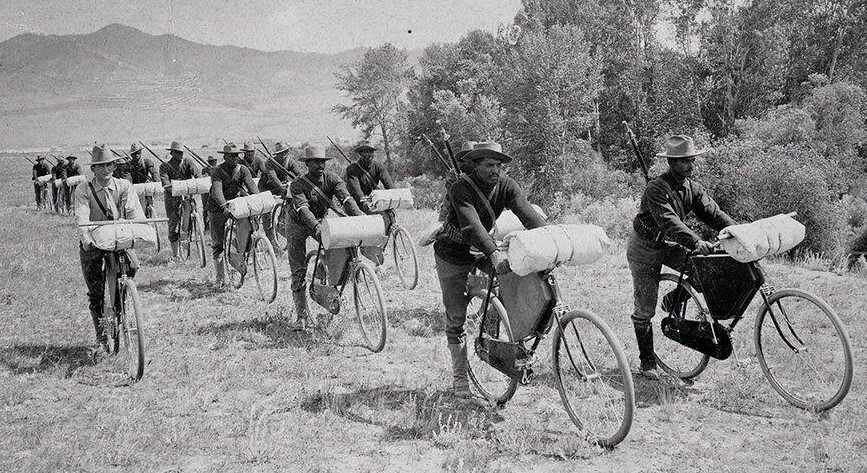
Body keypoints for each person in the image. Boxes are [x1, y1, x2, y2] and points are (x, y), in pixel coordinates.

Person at [434, 141, 546, 399]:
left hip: (483, 248)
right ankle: (460, 377)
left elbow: (528, 214)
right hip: (453, 252)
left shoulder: (507, 186)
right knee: (456, 315)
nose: (496, 170)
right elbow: (472, 226)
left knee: (517, 278)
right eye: (489, 165)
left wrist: (550, 239)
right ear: (475, 165)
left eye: (499, 165)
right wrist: (494, 254)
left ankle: (496, 326)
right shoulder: (461, 188)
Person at [627, 135, 737, 379]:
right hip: (644, 249)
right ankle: (647, 362)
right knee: (645, 308)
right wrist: (696, 242)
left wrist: (739, 232)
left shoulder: (692, 188)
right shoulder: (656, 189)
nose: (690, 165)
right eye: (684, 161)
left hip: (669, 245)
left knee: (705, 270)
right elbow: (669, 222)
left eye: (692, 160)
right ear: (671, 163)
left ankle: (674, 299)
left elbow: (714, 214)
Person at [74, 145, 144, 353]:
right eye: (101, 166)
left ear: (114, 166)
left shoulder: (124, 186)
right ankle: (101, 336)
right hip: (94, 240)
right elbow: (82, 217)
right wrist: (86, 238)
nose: (106, 169)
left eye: (109, 164)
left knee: (132, 267)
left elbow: (134, 213)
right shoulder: (84, 189)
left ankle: (121, 303)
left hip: (118, 238)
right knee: (95, 290)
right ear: (93, 169)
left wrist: (135, 226)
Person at [286, 145, 363, 328]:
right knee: (298, 270)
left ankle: (325, 276)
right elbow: (303, 209)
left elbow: (346, 199)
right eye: (315, 162)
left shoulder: (332, 179)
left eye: (322, 162)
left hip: (320, 219)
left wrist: (359, 217)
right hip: (298, 224)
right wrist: (317, 227)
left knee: (337, 245)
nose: (320, 165)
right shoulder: (298, 184)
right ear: (307, 164)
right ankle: (301, 316)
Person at [207, 144, 259, 288]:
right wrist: (224, 206)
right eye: (231, 156)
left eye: (236, 155)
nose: (234, 158)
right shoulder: (217, 171)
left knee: (246, 229)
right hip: (217, 207)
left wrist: (258, 200)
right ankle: (220, 278)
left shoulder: (243, 169)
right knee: (218, 243)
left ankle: (238, 256)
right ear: (224, 157)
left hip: (236, 205)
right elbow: (217, 191)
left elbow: (252, 187)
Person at [159, 141, 202, 260]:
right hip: (172, 196)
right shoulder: (165, 166)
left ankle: (193, 232)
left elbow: (198, 174)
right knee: (173, 222)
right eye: (177, 152)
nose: (180, 154)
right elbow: (165, 182)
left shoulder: (188, 162)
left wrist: (198, 182)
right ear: (172, 153)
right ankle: (175, 254)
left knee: (193, 209)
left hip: (187, 194)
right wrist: (171, 188)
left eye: (181, 152)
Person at [258, 142, 305, 252]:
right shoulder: (269, 163)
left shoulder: (290, 162)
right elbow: (273, 178)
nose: (283, 156)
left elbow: (299, 175)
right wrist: (282, 188)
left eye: (284, 153)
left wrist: (303, 182)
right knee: (267, 216)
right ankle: (272, 244)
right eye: (280, 153)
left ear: (288, 152)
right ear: (276, 154)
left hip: (283, 187)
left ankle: (284, 223)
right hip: (267, 188)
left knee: (290, 207)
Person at [345, 141, 395, 214]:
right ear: (360, 154)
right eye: (365, 152)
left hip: (373, 198)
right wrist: (365, 204)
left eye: (371, 151)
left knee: (389, 213)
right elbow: (356, 190)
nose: (368, 154)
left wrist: (394, 197)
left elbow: (389, 184)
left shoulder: (379, 166)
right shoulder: (352, 169)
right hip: (358, 201)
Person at [115, 143, 160, 214]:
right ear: (131, 155)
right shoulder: (127, 165)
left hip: (146, 187)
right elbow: (128, 179)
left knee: (150, 207)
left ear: (141, 153)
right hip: (134, 188)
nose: (136, 155)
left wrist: (157, 184)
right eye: (134, 154)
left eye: (138, 153)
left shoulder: (147, 162)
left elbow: (154, 174)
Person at [202, 155, 219, 231]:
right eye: (211, 161)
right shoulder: (205, 170)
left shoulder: (219, 169)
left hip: (216, 190)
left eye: (214, 161)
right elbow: (205, 179)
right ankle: (207, 227)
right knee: (206, 208)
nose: (213, 163)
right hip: (207, 192)